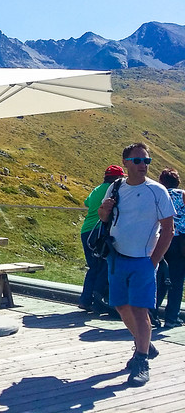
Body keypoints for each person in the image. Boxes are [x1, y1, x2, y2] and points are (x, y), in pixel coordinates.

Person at [98, 142, 175, 386]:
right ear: (126, 163)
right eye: (138, 160)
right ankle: (145, 343)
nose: (143, 165)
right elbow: (103, 218)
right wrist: (104, 210)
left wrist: (153, 261)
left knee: (141, 311)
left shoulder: (158, 191)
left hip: (143, 260)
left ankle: (141, 359)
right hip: (116, 256)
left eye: (146, 161)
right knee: (121, 307)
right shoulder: (116, 186)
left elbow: (168, 230)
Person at [79, 164, 126, 312]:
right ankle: (98, 302)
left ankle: (85, 300)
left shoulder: (97, 189)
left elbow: (87, 203)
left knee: (93, 266)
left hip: (87, 230)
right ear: (117, 178)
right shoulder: (114, 189)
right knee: (104, 266)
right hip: (101, 231)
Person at [155, 168, 185, 328]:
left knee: (159, 277)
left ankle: (152, 314)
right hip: (179, 242)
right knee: (177, 280)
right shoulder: (183, 194)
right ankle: (172, 317)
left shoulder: (159, 195)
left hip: (160, 239)